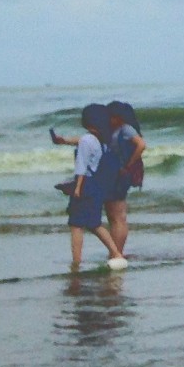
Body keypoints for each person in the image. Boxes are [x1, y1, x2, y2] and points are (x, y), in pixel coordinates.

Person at [50, 104, 122, 268]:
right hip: (96, 185)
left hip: (85, 183)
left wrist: (77, 188)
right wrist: (64, 141)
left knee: (76, 225)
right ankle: (116, 252)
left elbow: (81, 166)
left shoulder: (86, 140)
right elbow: (83, 142)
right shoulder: (101, 139)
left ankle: (76, 261)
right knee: (94, 223)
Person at [102, 102, 146, 255]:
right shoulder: (115, 129)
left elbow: (141, 145)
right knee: (113, 216)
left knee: (118, 216)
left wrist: (128, 165)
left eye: (111, 116)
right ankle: (115, 251)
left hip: (121, 175)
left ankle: (117, 252)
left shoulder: (126, 129)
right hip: (114, 173)